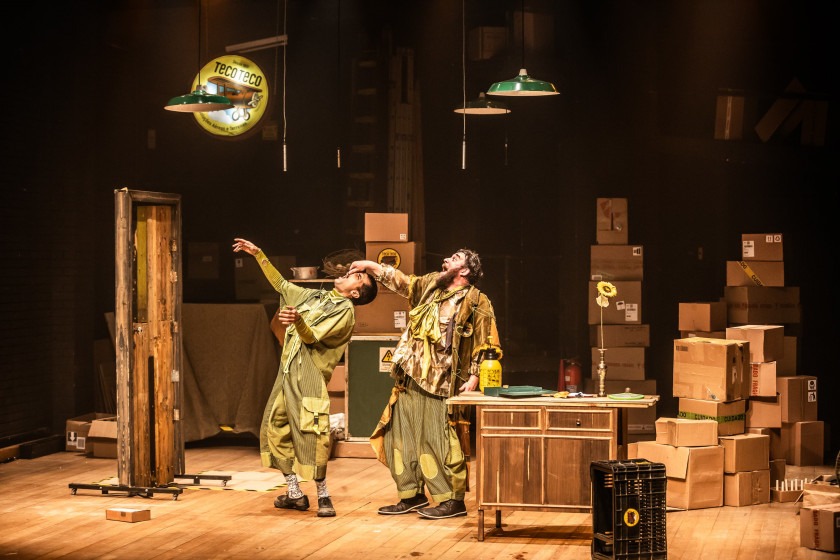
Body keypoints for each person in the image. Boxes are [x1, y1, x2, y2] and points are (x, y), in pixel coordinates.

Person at [348, 250, 499, 519]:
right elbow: (402, 282)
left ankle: (451, 500)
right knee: (400, 437)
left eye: (455, 258)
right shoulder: (430, 286)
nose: (447, 260)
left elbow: (486, 341)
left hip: (441, 382)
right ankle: (411, 495)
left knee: (438, 441)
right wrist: (370, 265)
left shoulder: (476, 300)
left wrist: (474, 377)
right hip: (410, 376)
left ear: (465, 271)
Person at [232, 238, 378, 517]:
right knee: (276, 429)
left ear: (355, 293)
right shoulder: (315, 297)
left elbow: (311, 338)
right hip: (287, 374)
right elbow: (281, 285)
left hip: (309, 380)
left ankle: (324, 496)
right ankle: (295, 493)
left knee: (312, 435)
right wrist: (258, 254)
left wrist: (297, 320)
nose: (350, 272)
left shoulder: (345, 312)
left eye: (358, 277)